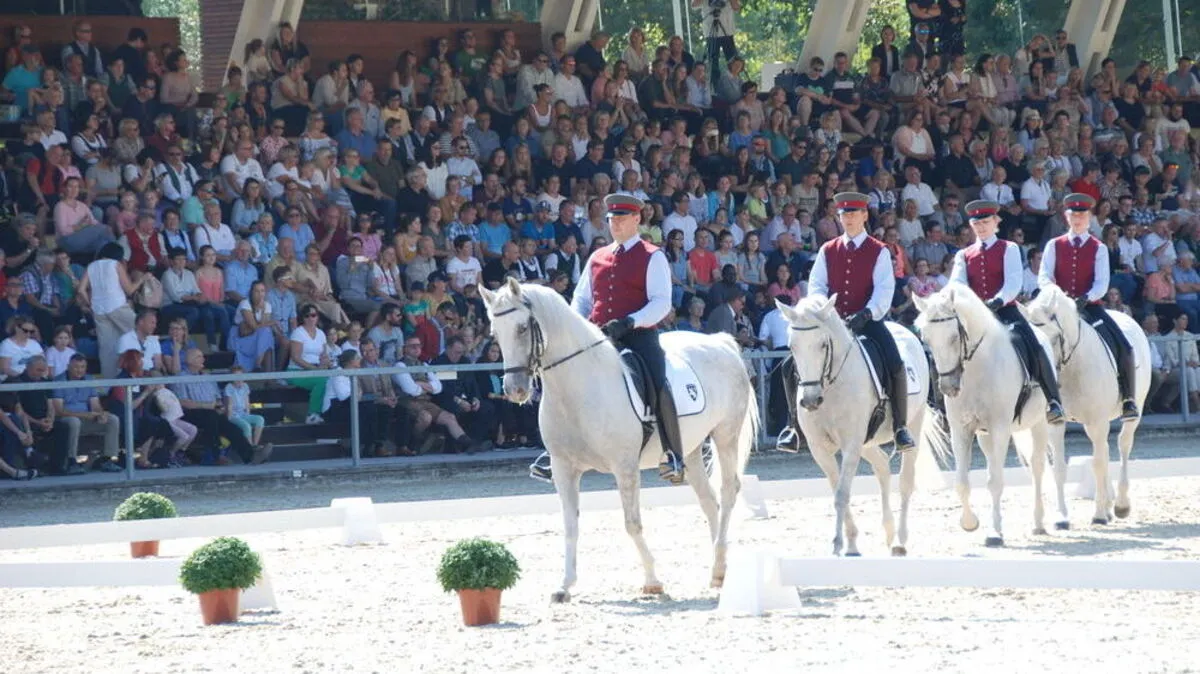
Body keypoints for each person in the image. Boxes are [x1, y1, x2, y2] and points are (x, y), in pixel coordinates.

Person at [530, 194, 684, 484]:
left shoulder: (653, 255)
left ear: (637, 219)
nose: (615, 224)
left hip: (637, 335)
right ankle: (556, 451)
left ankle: (673, 453)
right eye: (612, 219)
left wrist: (630, 321)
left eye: (621, 219)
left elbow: (661, 302)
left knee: (658, 379)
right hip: (597, 336)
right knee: (561, 378)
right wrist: (576, 327)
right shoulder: (597, 257)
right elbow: (581, 300)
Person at [776, 192, 916, 453]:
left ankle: (900, 427)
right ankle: (793, 427)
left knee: (894, 362)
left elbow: (884, 290)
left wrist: (867, 313)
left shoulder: (879, 250)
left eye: (854, 214)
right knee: (788, 366)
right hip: (831, 322)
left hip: (868, 321)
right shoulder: (827, 250)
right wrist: (823, 309)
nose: (849, 218)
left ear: (864, 215)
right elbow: (817, 285)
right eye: (844, 214)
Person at [949, 200, 1065, 423]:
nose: (981, 227)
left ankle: (1053, 401)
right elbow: (957, 283)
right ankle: (948, 401)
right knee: (947, 344)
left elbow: (1013, 281)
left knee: (1034, 343)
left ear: (995, 222)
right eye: (976, 223)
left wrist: (997, 300)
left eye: (985, 222)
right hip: (975, 315)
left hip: (1004, 310)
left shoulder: (1009, 248)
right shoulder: (963, 255)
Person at [1037, 193, 1139, 420]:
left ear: (1089, 217)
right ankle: (1044, 399)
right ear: (1066, 217)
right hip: (1059, 309)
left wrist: (1086, 297)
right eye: (1073, 215)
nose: (1077, 219)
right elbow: (1044, 277)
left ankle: (1128, 399)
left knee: (1123, 345)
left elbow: (1102, 282)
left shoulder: (1099, 247)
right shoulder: (1054, 245)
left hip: (1089, 307)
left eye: (1082, 215)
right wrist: (1058, 296)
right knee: (1038, 343)